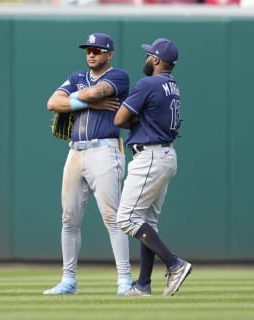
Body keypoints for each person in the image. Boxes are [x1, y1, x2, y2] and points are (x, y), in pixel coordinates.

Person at [44, 33, 132, 295]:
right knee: (68, 219)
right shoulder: (76, 76)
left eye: (97, 50)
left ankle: (124, 281)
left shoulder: (118, 77)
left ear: (109, 54)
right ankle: (68, 280)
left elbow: (96, 92)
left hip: (105, 151)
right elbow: (51, 103)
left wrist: (75, 101)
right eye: (88, 50)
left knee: (112, 217)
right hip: (75, 152)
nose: (91, 54)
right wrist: (89, 102)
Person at [114, 38, 192, 297]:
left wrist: (133, 116)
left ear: (157, 60)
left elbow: (119, 119)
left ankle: (174, 263)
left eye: (149, 54)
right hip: (166, 154)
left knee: (126, 219)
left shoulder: (148, 83)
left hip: (150, 156)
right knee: (147, 221)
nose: (146, 58)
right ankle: (143, 285)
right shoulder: (172, 85)